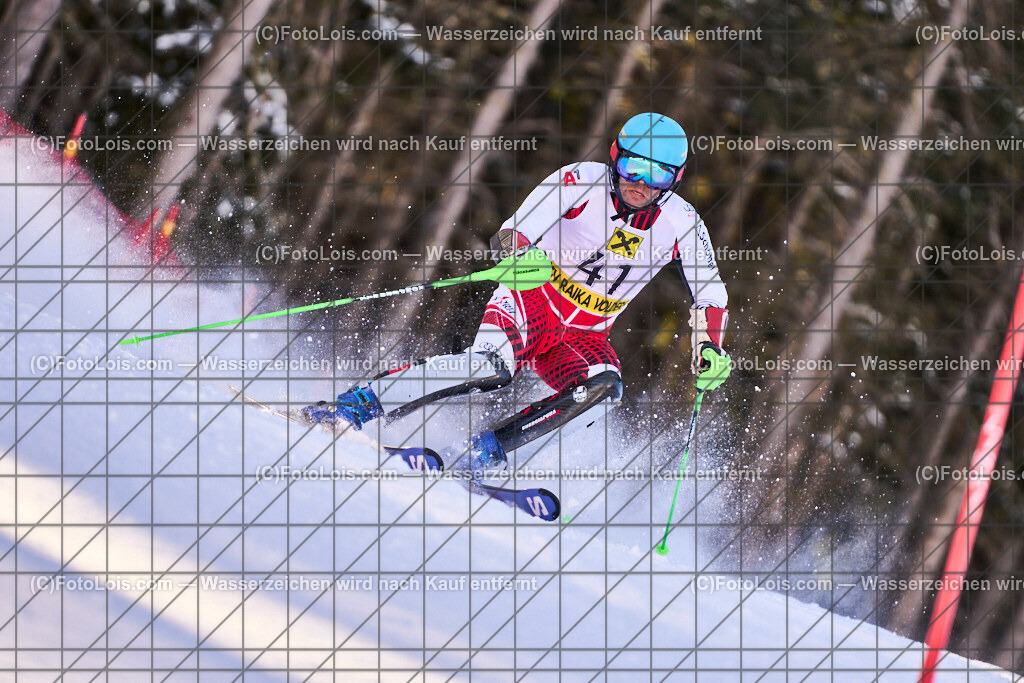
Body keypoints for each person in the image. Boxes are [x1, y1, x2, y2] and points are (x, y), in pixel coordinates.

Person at [303, 112, 732, 472]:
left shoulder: (683, 223)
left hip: (584, 335)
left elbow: (711, 291)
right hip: (533, 300)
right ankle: (355, 405)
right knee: (489, 369)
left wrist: (709, 348)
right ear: (615, 159)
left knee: (604, 390)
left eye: (657, 175)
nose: (641, 183)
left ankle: (485, 454)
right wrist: (517, 254)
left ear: (675, 179)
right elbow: (513, 231)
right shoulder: (578, 181)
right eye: (633, 168)